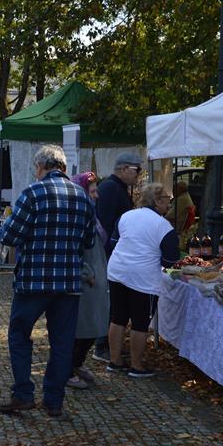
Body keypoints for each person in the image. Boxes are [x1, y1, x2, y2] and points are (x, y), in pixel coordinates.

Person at [0, 145, 95, 418]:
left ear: (40, 167)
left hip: (33, 282)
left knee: (19, 334)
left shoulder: (32, 193)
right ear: (63, 168)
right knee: (62, 342)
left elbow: (10, 236)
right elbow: (88, 241)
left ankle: (23, 394)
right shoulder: (82, 197)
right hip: (68, 284)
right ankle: (54, 401)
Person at [106, 183, 179, 378]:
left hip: (117, 271)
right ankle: (136, 366)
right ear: (157, 201)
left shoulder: (126, 216)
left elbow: (112, 244)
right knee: (140, 323)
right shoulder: (164, 226)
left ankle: (114, 361)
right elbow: (170, 260)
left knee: (118, 317)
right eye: (167, 201)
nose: (168, 206)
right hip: (143, 278)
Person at [92, 152, 142, 363]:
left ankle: (104, 345)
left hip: (112, 253)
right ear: (123, 169)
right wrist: (110, 253)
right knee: (109, 301)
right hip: (109, 254)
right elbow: (105, 226)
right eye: (136, 170)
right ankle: (102, 346)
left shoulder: (117, 188)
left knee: (112, 301)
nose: (139, 175)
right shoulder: (112, 189)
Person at [67, 172, 110, 390]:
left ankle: (76, 363)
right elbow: (73, 248)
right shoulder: (78, 216)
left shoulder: (90, 214)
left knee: (94, 326)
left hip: (95, 276)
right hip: (84, 279)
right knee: (81, 328)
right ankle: (67, 368)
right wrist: (86, 272)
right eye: (92, 191)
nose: (96, 195)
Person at [165, 181, 195, 248]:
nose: (173, 191)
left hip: (177, 225)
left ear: (179, 189)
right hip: (180, 222)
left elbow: (169, 216)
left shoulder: (181, 199)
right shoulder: (185, 196)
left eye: (174, 189)